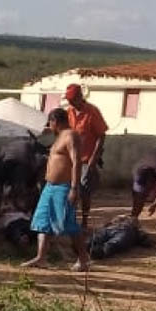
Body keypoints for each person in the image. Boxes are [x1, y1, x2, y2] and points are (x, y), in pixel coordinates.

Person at [21, 108, 90, 271]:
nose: (49, 127)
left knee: (69, 224)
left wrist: (74, 188)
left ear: (55, 121)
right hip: (49, 187)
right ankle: (41, 258)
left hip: (64, 187)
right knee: (42, 222)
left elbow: (77, 162)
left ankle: (83, 260)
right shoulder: (59, 137)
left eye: (50, 123)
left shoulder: (70, 136)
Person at [64, 84, 108, 228]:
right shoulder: (69, 112)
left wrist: (93, 160)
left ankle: (84, 222)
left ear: (79, 97)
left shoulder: (92, 112)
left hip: (85, 160)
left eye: (71, 99)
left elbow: (101, 136)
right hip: (70, 159)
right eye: (68, 100)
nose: (69, 102)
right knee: (69, 189)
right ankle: (70, 220)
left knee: (84, 191)